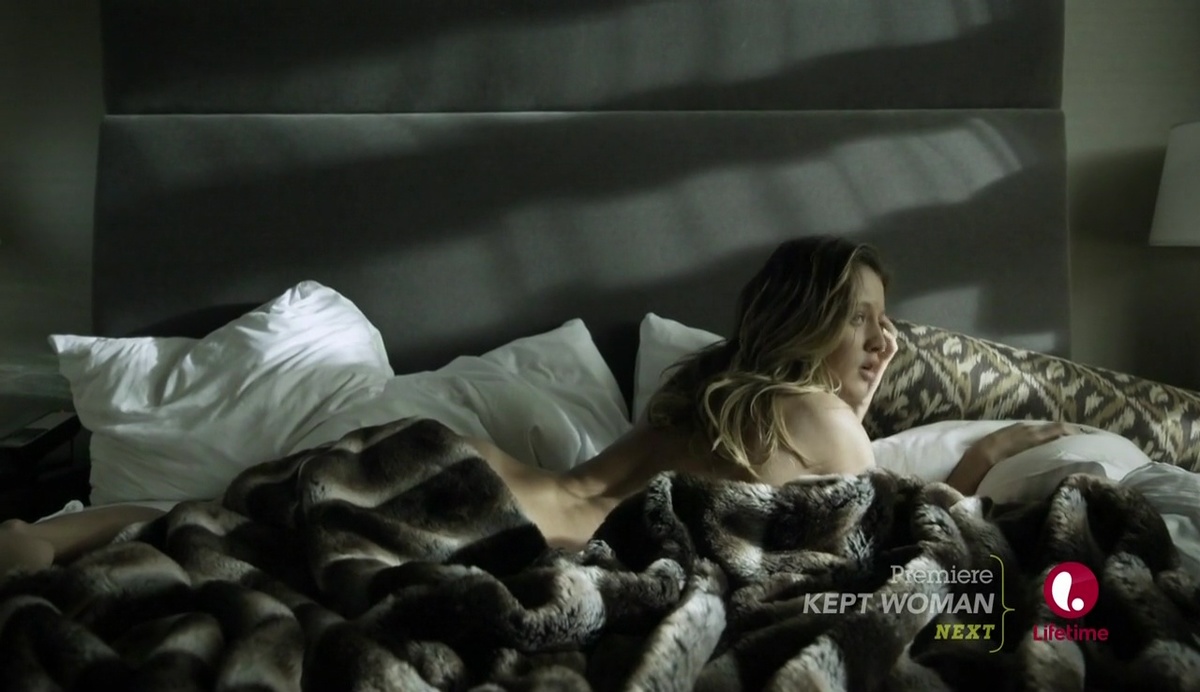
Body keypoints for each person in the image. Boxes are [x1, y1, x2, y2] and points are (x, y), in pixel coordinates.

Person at [0, 235, 1081, 571]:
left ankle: (48, 536)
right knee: (254, 543)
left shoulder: (721, 391)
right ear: (807, 324)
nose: (887, 341)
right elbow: (882, 535)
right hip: (511, 512)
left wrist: (861, 391)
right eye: (864, 320)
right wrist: (979, 465)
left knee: (240, 525)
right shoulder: (817, 420)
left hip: (476, 469)